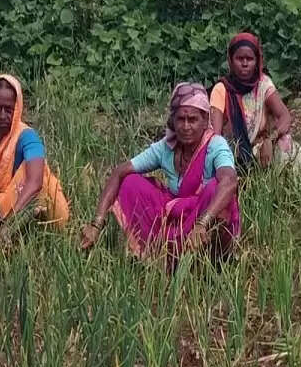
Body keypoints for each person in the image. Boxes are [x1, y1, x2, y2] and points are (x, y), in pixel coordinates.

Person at [80, 83, 240, 262]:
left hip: (205, 223)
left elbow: (230, 181)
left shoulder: (215, 145)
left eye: (193, 120)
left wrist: (203, 223)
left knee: (215, 189)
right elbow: (120, 171)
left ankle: (211, 259)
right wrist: (96, 223)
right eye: (181, 119)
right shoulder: (167, 146)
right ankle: (158, 253)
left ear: (205, 120)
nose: (186, 126)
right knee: (131, 182)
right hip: (177, 220)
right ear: (173, 120)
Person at [0, 74, 69, 239]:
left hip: (39, 206)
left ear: (17, 110)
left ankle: (13, 234)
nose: (3, 115)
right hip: (3, 205)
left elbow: (35, 183)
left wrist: (10, 225)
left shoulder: (27, 136)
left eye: (9, 110)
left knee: (32, 173)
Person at [210, 32, 300, 174]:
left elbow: (285, 116)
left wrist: (270, 139)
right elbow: (215, 136)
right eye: (240, 58)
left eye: (249, 59)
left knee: (287, 142)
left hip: (259, 150)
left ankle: (280, 188)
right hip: (231, 154)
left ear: (257, 61)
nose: (245, 63)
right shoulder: (221, 89)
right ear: (230, 61)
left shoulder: (263, 84)